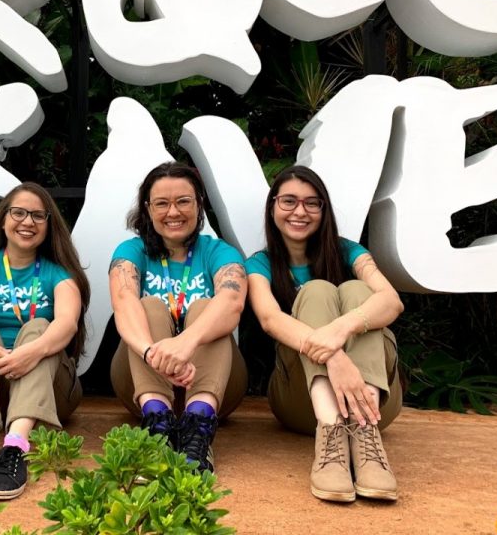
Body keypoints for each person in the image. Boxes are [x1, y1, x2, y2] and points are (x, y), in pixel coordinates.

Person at [245, 165, 403, 503]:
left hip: (375, 404)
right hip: (301, 403)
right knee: (316, 291)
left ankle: (365, 439)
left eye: (311, 203)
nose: (299, 211)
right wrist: (334, 357)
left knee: (361, 292)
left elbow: (391, 301)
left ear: (323, 210)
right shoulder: (260, 263)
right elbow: (270, 319)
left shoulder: (350, 252)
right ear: (273, 206)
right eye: (288, 201)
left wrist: (338, 332)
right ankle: (331, 438)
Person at [0, 182, 89, 500]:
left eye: (38, 215)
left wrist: (31, 352)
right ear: (3, 219)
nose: (28, 221)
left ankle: (15, 447)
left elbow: (66, 325)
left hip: (47, 388)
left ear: (49, 225)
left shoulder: (60, 274)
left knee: (42, 328)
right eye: (19, 212)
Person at [108, 162, 248, 473]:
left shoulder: (218, 252)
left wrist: (186, 343)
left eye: (183, 201)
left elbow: (232, 302)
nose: (173, 212)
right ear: (148, 209)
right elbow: (123, 301)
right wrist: (153, 353)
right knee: (148, 305)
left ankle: (199, 427)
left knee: (206, 307)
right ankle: (157, 425)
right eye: (162, 203)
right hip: (142, 380)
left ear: (199, 205)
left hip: (215, 385)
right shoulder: (132, 251)